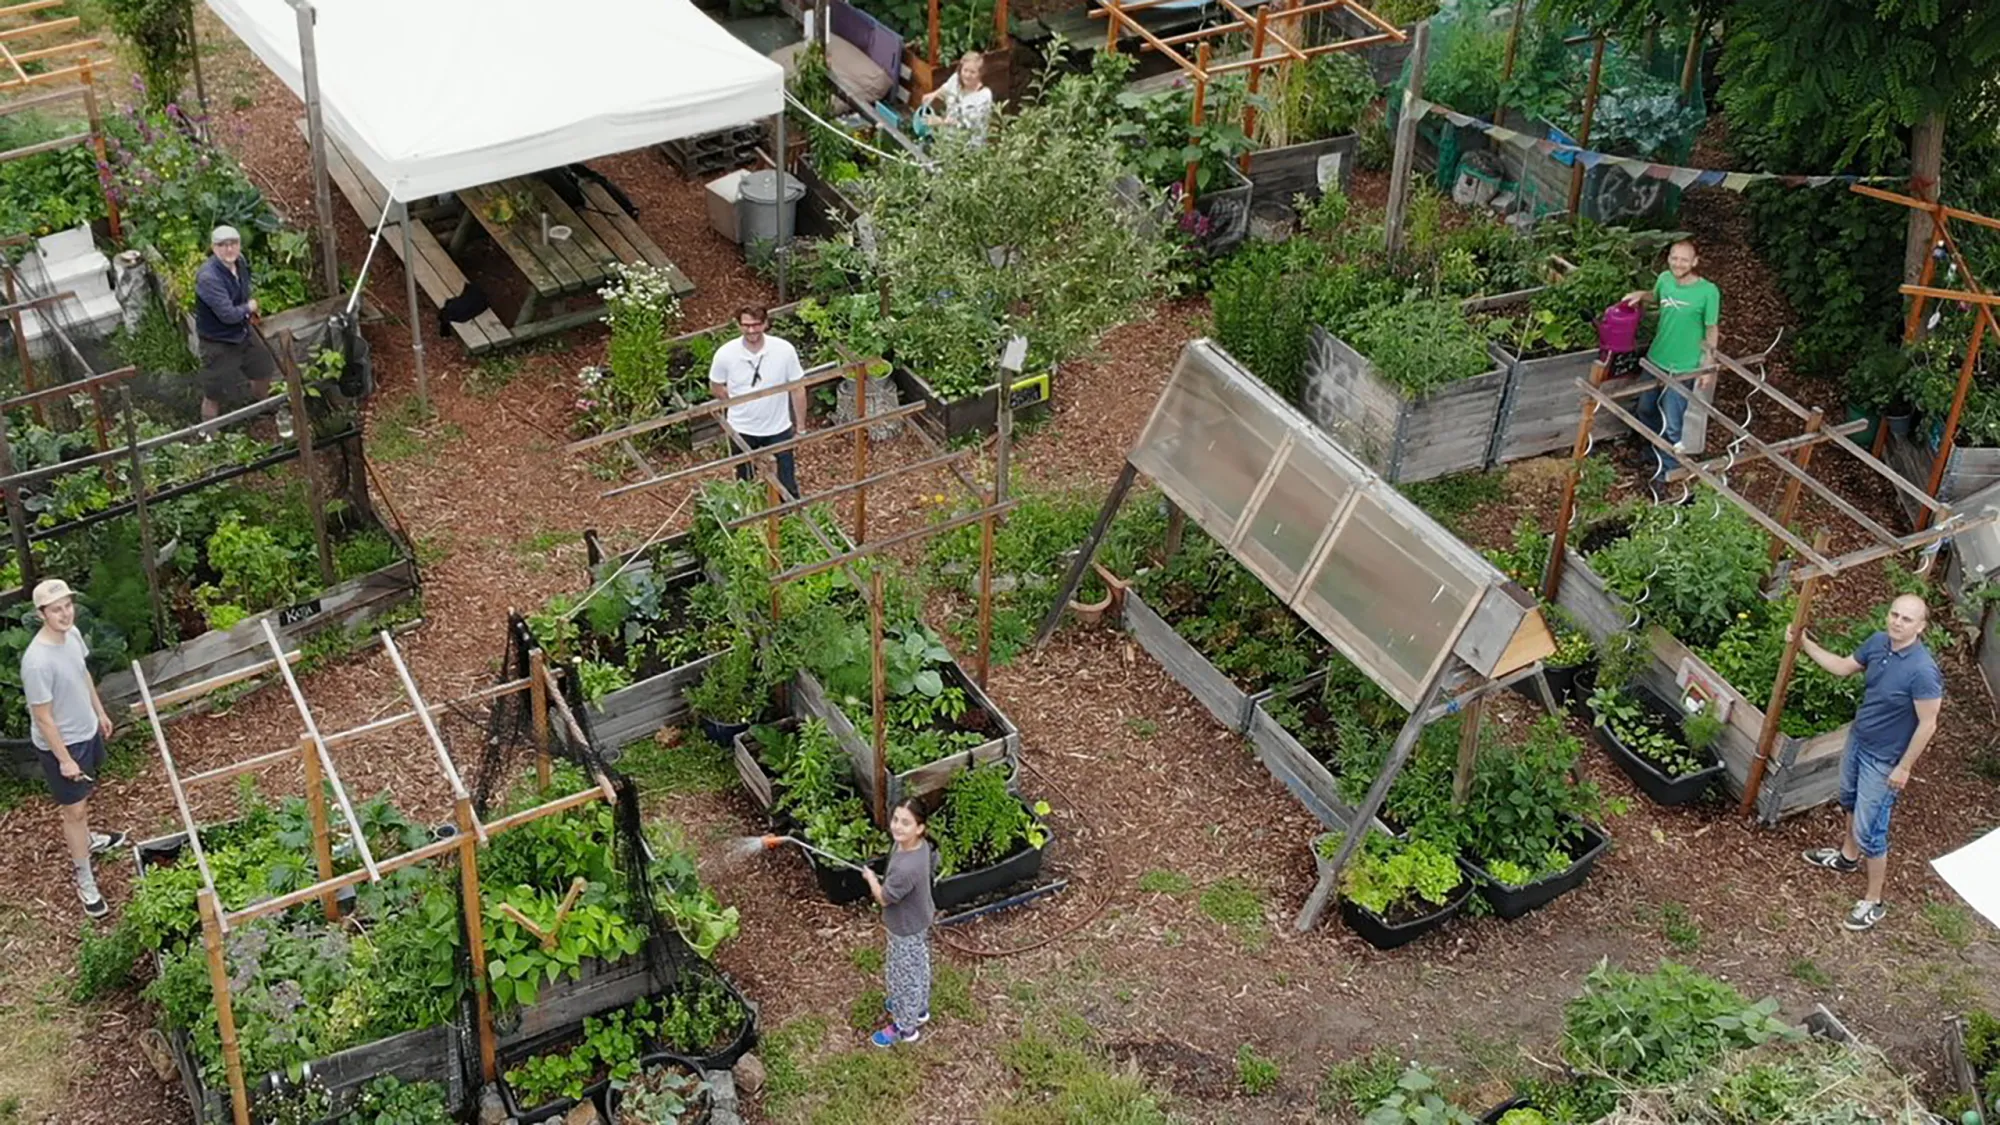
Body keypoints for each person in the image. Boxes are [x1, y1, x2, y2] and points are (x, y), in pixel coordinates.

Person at [1793, 594, 1943, 931]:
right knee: (1847, 799)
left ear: (1920, 627)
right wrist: (1804, 644)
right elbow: (1844, 668)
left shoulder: (1922, 670)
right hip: (1858, 740)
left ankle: (1873, 901)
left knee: (1871, 830)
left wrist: (1904, 767)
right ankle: (1847, 857)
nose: (1897, 622)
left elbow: (1928, 723)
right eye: (1894, 615)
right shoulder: (1878, 644)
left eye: (1906, 619)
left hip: (1885, 759)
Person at [21, 579, 127, 919]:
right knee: (74, 810)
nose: (65, 613)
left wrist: (99, 712)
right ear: (41, 615)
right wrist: (64, 759)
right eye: (56, 609)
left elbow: (82, 675)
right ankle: (84, 876)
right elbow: (43, 718)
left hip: (86, 732)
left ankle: (88, 839)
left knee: (83, 799)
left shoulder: (73, 636)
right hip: (62, 745)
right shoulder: (36, 662)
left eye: (67, 605)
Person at [1620, 239, 1720, 482]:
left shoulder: (1708, 292)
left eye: (1684, 259)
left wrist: (1707, 367)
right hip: (1657, 358)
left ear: (1695, 262)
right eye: (1674, 258)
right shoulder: (1664, 279)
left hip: (1684, 366)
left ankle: (1667, 473)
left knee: (1672, 422)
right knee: (1645, 408)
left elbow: (1711, 331)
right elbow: (1656, 298)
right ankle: (1651, 451)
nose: (1678, 263)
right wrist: (1640, 295)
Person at [860, 799, 938, 1047]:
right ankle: (920, 1008)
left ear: (920, 828)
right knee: (917, 966)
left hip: (905, 928)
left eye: (906, 822)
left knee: (904, 975)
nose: (897, 827)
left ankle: (906, 1027)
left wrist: (872, 879)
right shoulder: (918, 847)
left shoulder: (907, 868)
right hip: (919, 918)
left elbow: (884, 898)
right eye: (896, 819)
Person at [709, 305, 808, 499]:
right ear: (738, 325)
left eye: (756, 325)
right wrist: (735, 403)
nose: (751, 330)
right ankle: (750, 519)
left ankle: (789, 516)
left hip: (778, 428)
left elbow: (798, 388)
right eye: (746, 325)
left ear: (765, 324)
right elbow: (716, 386)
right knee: (745, 482)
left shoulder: (784, 350)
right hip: (742, 427)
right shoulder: (726, 354)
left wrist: (801, 428)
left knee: (787, 482)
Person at [193, 226, 281, 432]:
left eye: (233, 243)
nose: (229, 249)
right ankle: (209, 433)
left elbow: (243, 292)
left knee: (263, 368)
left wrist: (247, 312)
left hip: (243, 333)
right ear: (214, 248)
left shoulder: (240, 262)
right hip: (218, 341)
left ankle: (262, 406)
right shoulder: (208, 277)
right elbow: (228, 315)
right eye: (222, 245)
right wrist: (248, 307)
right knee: (214, 392)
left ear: (239, 245)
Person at [917, 51, 995, 142]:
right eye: (965, 70)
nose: (967, 75)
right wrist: (934, 94)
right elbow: (946, 88)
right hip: (948, 138)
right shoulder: (956, 79)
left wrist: (941, 121)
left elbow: (967, 125)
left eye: (973, 72)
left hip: (969, 145)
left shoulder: (983, 96)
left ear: (980, 74)